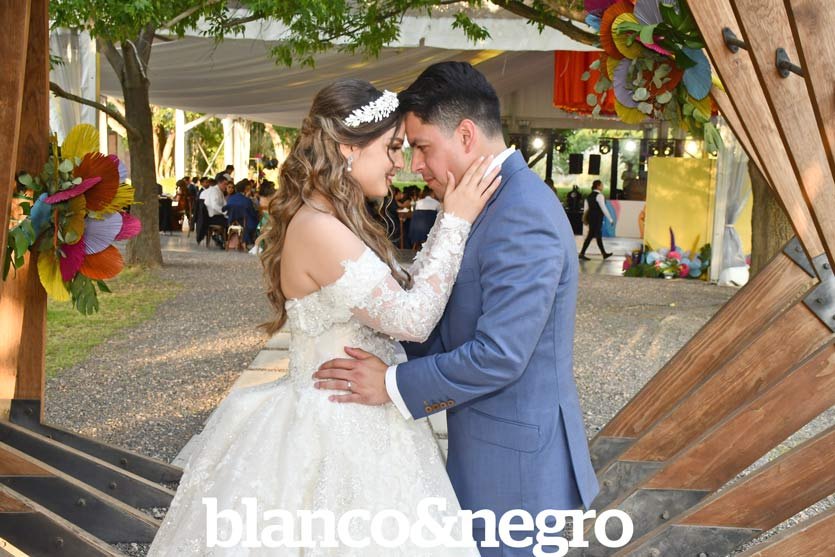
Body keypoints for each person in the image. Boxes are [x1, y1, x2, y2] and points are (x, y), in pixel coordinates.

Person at [147, 79, 500, 555]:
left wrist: (445, 223)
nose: (400, 162)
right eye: (392, 147)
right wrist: (455, 220)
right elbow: (413, 319)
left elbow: (401, 291)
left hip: (359, 415)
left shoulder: (332, 220)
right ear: (348, 148)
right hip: (335, 427)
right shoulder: (318, 228)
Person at [314, 62, 599, 555]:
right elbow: (448, 326)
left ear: (466, 135)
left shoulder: (522, 211)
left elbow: (499, 356)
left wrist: (390, 384)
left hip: (519, 476)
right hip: (491, 458)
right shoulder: (483, 203)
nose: (414, 166)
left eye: (422, 147)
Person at [579, 179, 614, 260]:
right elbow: (603, 208)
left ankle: (583, 253)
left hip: (591, 218)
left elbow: (586, 209)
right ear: (598, 186)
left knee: (592, 235)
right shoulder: (600, 196)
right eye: (601, 185)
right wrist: (610, 219)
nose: (602, 186)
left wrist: (584, 219)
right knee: (596, 235)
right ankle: (603, 254)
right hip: (597, 218)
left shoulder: (589, 196)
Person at [223, 179, 260, 248]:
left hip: (232, 222)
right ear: (246, 189)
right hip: (246, 224)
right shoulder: (247, 201)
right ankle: (251, 242)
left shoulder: (230, 199)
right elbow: (253, 213)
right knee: (257, 221)